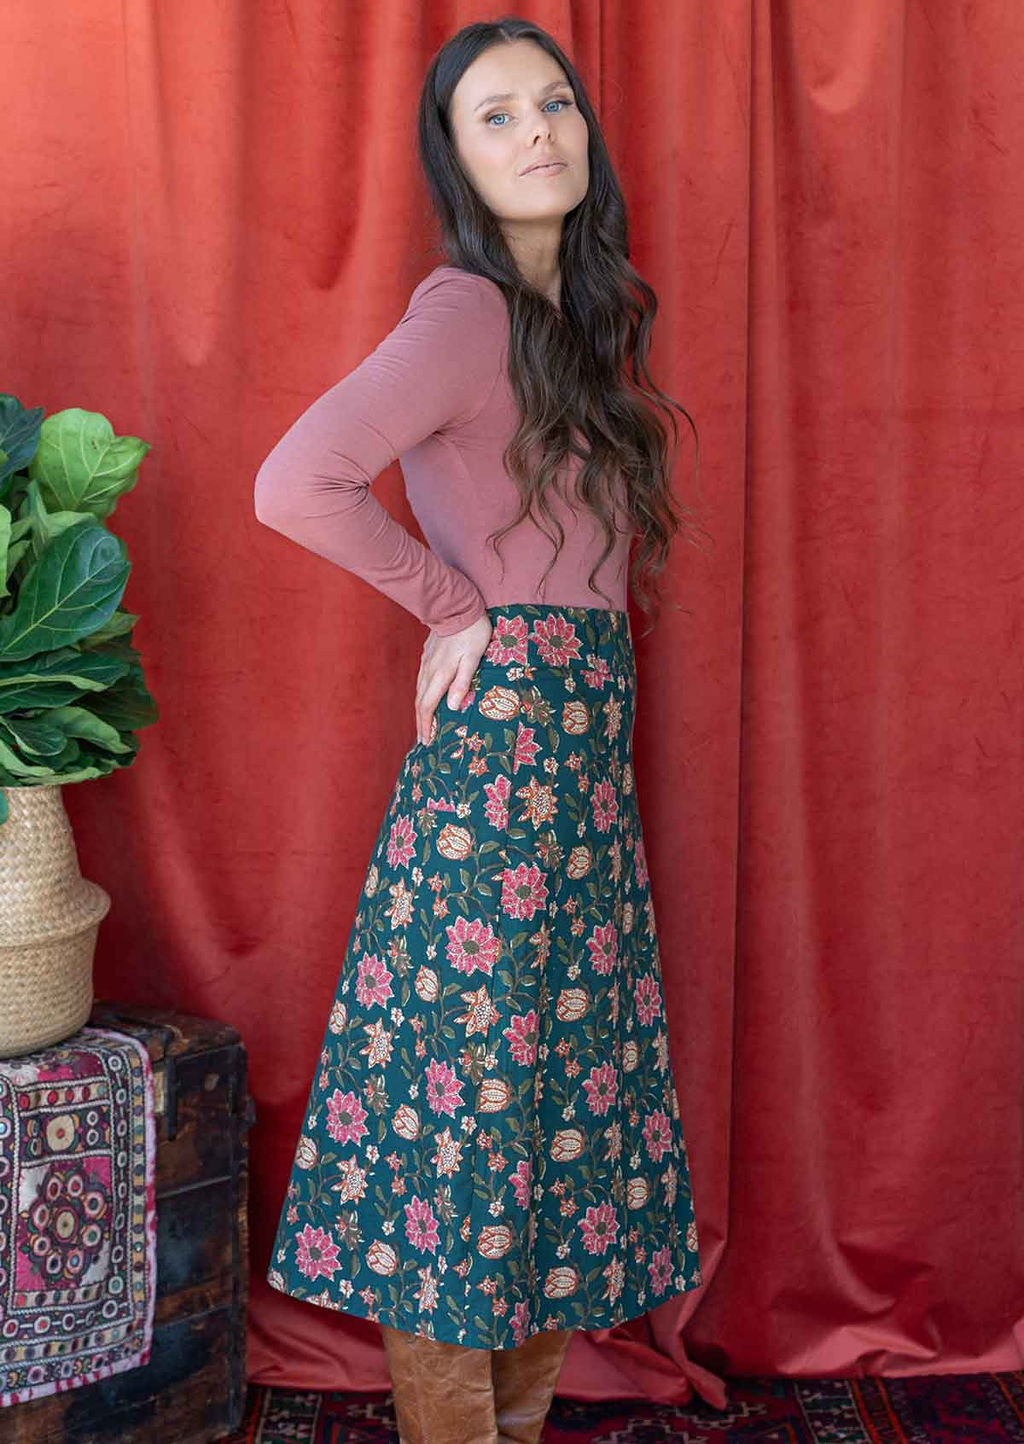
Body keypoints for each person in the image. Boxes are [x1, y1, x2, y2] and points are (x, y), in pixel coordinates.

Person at [254, 15, 705, 1444]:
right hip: (505, 765)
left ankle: (513, 1427)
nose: (537, 133)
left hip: (579, 761)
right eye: (495, 117)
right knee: (468, 1129)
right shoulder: (461, 312)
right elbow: (296, 479)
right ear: (454, 158)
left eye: (554, 104)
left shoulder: (570, 323)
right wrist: (450, 607)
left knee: (556, 1119)